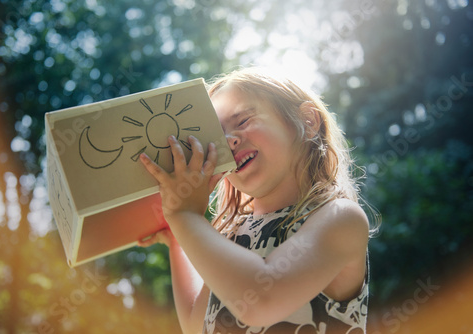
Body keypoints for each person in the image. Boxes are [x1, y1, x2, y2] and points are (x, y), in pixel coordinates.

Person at [138, 67, 376, 334]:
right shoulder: (231, 234)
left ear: (308, 121)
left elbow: (261, 301)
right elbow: (197, 325)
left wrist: (186, 216)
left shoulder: (340, 218)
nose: (229, 142)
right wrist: (177, 239)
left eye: (242, 121)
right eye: (216, 137)